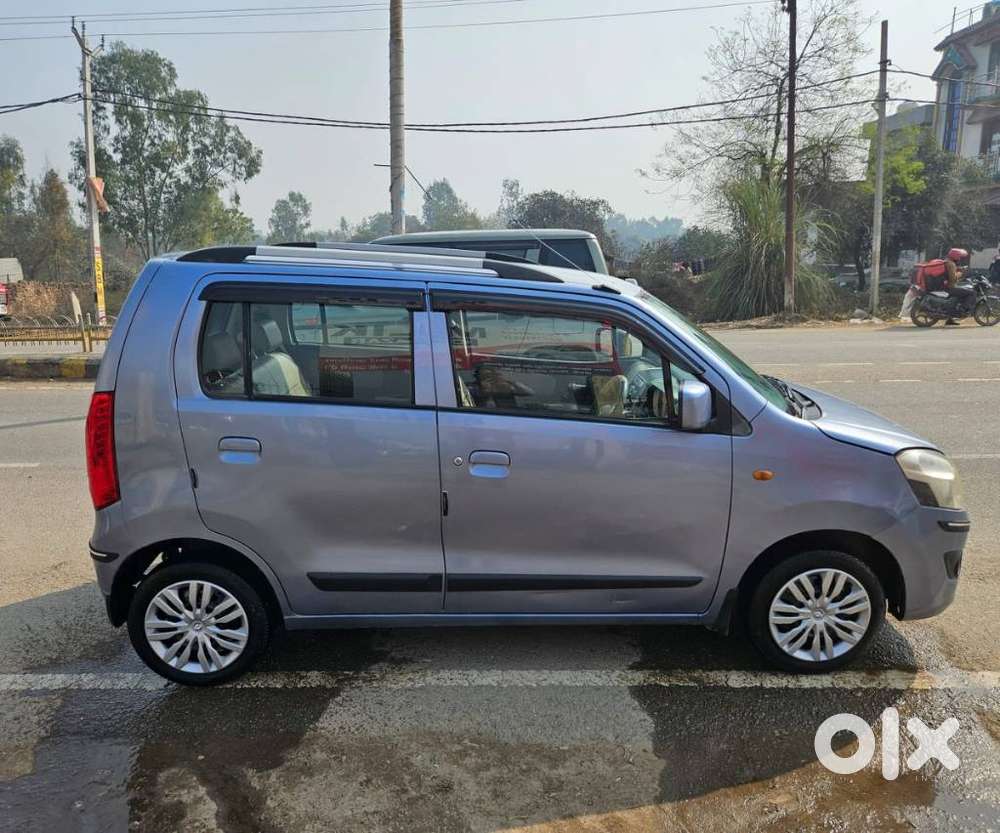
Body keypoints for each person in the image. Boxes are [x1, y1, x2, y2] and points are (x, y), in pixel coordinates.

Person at [944, 248, 973, 325]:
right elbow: (953, 278)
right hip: (950, 287)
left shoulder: (947, 261)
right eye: (959, 257)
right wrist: (960, 273)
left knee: (958, 296)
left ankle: (950, 319)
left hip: (946, 286)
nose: (960, 258)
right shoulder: (951, 264)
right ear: (955, 256)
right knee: (971, 293)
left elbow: (949, 272)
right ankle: (963, 310)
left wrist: (959, 269)